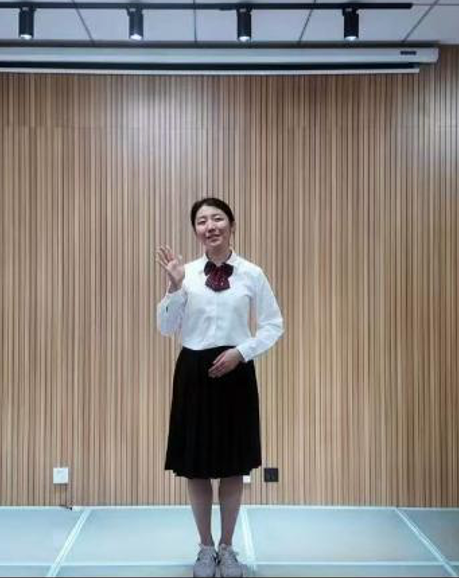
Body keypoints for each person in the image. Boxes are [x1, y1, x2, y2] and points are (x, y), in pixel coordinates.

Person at [154, 197, 284, 578]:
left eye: (217, 219)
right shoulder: (186, 274)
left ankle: (227, 548)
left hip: (236, 373)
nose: (210, 226)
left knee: (232, 467)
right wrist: (174, 287)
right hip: (193, 373)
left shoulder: (252, 274)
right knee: (195, 468)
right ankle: (205, 547)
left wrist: (241, 353)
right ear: (196, 230)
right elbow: (165, 328)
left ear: (232, 224)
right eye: (202, 221)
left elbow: (274, 325)